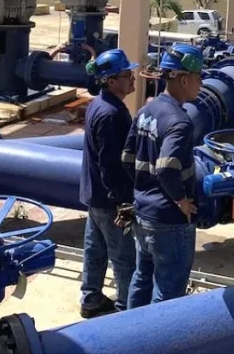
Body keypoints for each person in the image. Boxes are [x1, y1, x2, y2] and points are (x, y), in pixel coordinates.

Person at [121, 43, 203, 308]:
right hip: (169, 220)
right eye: (198, 77)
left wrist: (143, 191)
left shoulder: (146, 111)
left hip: (144, 212)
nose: (201, 84)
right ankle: (160, 332)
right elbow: (167, 167)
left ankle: (131, 328)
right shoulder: (180, 121)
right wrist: (181, 200)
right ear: (183, 79)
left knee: (142, 278)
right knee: (168, 292)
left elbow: (127, 158)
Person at [78, 49, 139, 318]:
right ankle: (127, 309)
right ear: (111, 81)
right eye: (127, 75)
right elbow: (111, 165)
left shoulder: (98, 104)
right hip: (110, 201)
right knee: (124, 257)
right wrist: (123, 202)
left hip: (94, 195)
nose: (133, 79)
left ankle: (90, 300)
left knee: (95, 251)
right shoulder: (112, 114)